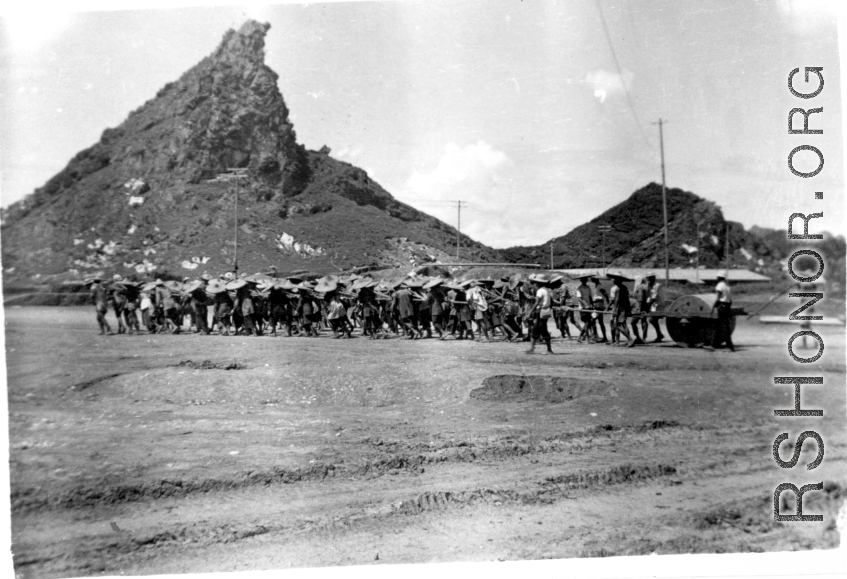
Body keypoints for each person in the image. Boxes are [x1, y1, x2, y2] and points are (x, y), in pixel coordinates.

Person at [526, 275, 554, 354]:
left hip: (541, 311)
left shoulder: (540, 291)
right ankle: (532, 349)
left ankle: (549, 350)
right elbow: (551, 301)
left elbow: (536, 302)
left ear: (538, 283)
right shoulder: (546, 290)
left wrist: (530, 313)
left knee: (543, 329)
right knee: (536, 329)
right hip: (545, 311)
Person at [706, 273, 735, 352]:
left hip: (721, 306)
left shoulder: (720, 286)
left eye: (717, 277)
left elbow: (718, 298)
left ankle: (730, 347)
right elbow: (730, 300)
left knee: (723, 327)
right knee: (719, 326)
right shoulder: (727, 286)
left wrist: (713, 307)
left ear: (719, 278)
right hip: (726, 306)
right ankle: (713, 345)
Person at [607, 274, 636, 347]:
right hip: (624, 308)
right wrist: (628, 309)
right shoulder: (625, 288)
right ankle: (629, 340)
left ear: (618, 281)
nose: (614, 281)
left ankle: (630, 339)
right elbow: (627, 299)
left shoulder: (618, 289)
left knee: (617, 325)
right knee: (624, 324)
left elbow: (617, 300)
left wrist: (615, 309)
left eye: (615, 280)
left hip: (620, 308)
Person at [644, 273, 666, 343]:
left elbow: (654, 297)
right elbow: (649, 296)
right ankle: (659, 334)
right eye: (648, 278)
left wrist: (648, 306)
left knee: (652, 320)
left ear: (654, 278)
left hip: (659, 304)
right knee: (652, 320)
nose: (649, 280)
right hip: (653, 305)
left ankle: (659, 335)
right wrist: (647, 304)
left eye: (651, 278)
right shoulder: (649, 285)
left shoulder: (657, 285)